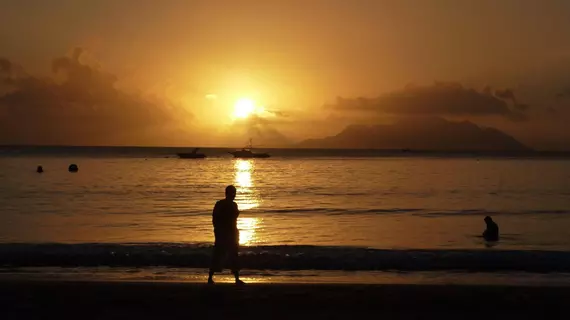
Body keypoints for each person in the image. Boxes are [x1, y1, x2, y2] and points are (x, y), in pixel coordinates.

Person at [208, 185, 244, 285]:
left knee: (234, 255)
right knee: (218, 254)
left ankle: (237, 278)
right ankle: (210, 277)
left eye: (235, 193)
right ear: (228, 193)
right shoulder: (220, 204)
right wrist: (218, 231)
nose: (234, 195)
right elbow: (215, 219)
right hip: (223, 233)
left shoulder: (234, 205)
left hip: (232, 232)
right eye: (233, 193)